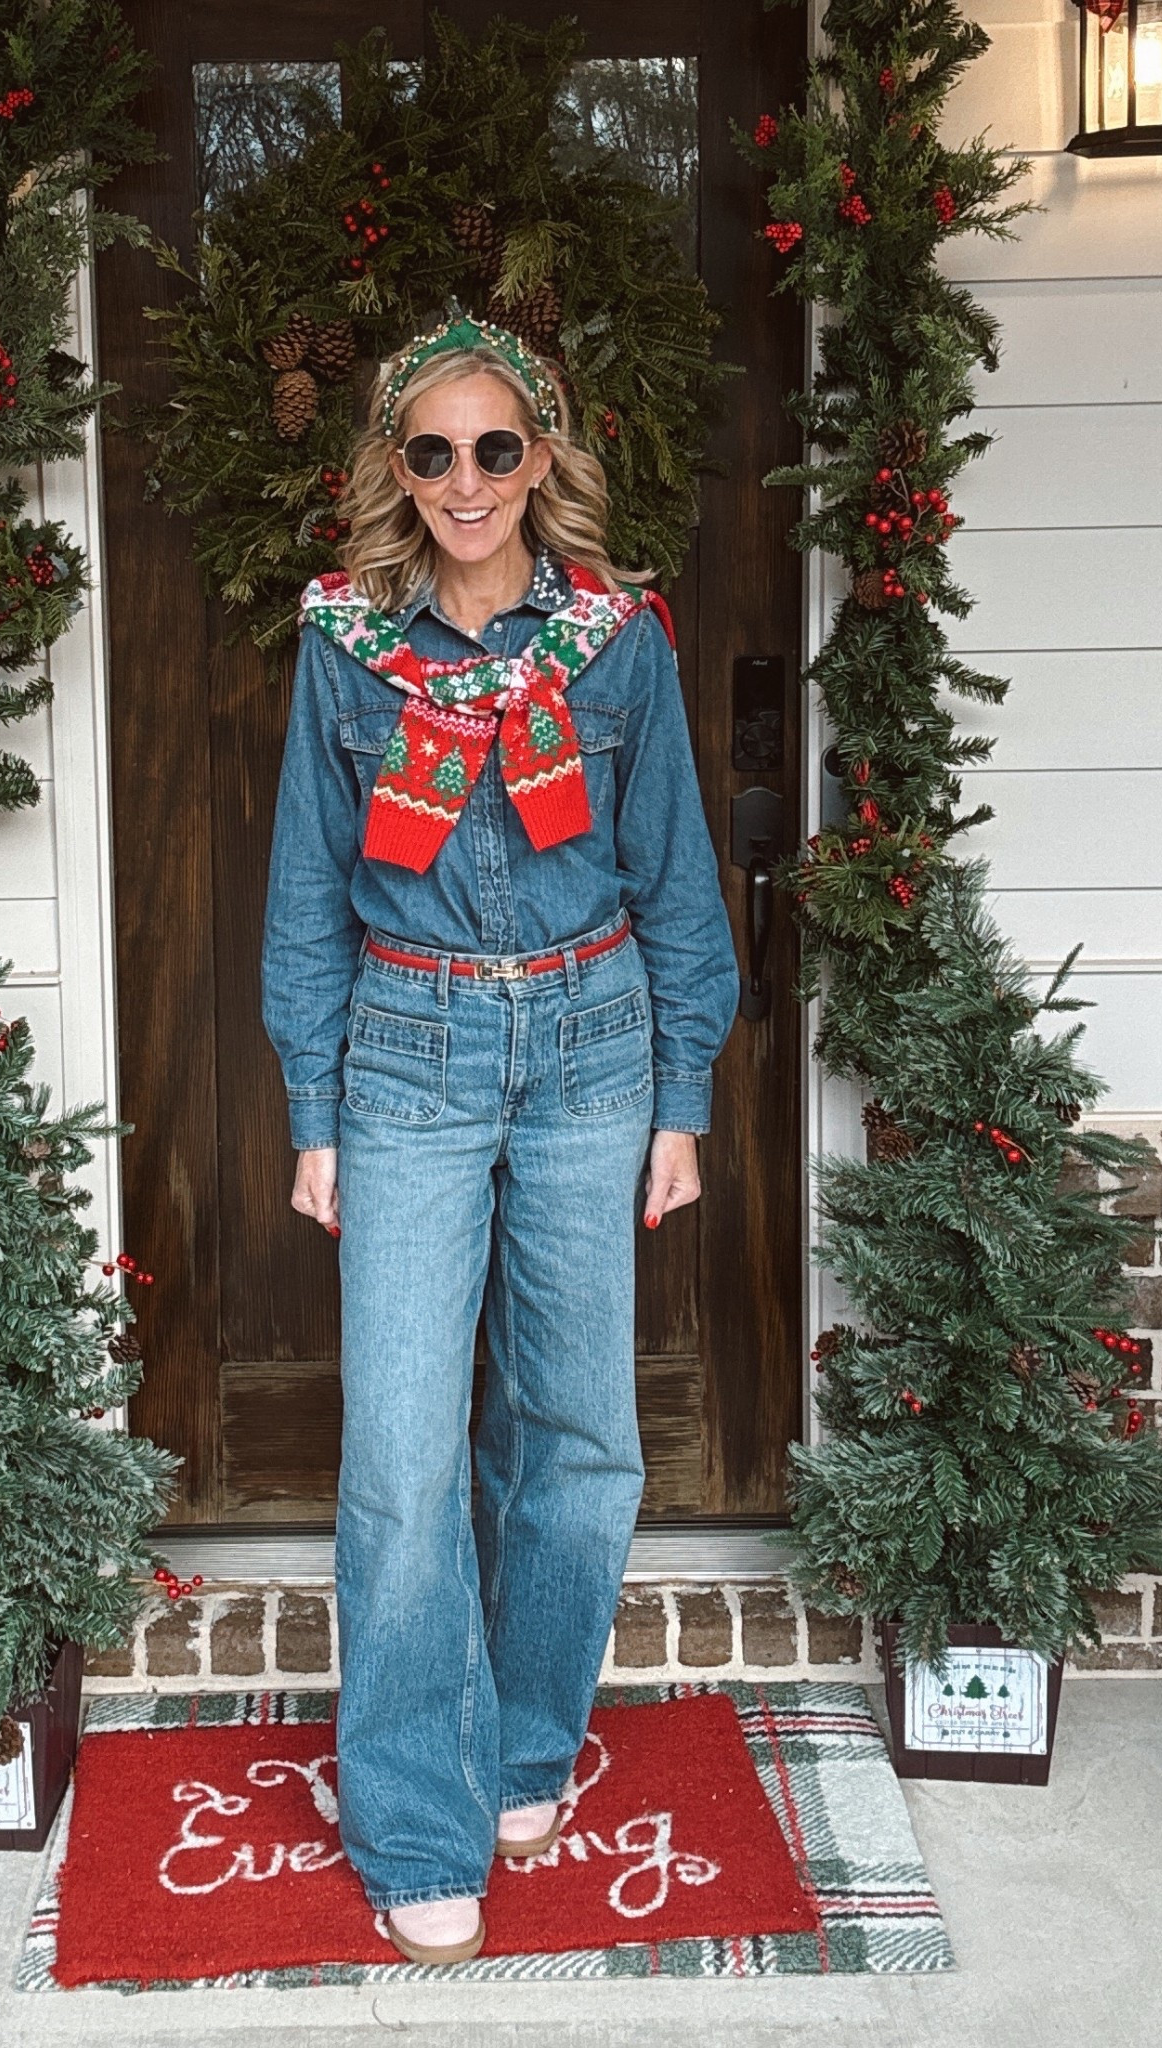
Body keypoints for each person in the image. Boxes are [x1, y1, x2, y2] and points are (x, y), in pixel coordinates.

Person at [261, 312, 738, 1964]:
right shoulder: (341, 646)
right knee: (399, 1455)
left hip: (596, 1048)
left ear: (544, 455)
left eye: (497, 448)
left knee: (579, 1430)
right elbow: (308, 899)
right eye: (432, 453)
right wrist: (314, 1115)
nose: (467, 484)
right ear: (396, 467)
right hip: (407, 1048)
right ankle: (412, 1814)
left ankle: (524, 1741)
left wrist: (683, 1099)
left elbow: (676, 882)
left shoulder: (619, 647)